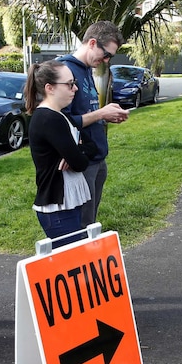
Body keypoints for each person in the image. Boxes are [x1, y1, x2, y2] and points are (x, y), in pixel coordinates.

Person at [58, 21, 130, 228]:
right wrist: (100, 113)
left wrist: (106, 116)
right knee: (81, 227)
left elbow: (85, 113)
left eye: (111, 57)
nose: (106, 60)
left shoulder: (87, 69)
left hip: (97, 157)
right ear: (91, 43)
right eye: (106, 54)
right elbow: (61, 122)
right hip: (81, 161)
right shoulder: (66, 71)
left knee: (90, 223)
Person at [25, 60, 97, 248]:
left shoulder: (61, 115)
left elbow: (92, 147)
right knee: (71, 263)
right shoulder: (49, 118)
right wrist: (77, 153)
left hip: (68, 203)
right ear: (50, 88)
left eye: (74, 83)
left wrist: (77, 150)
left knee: (75, 261)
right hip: (57, 207)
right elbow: (80, 163)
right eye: (69, 84)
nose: (75, 89)